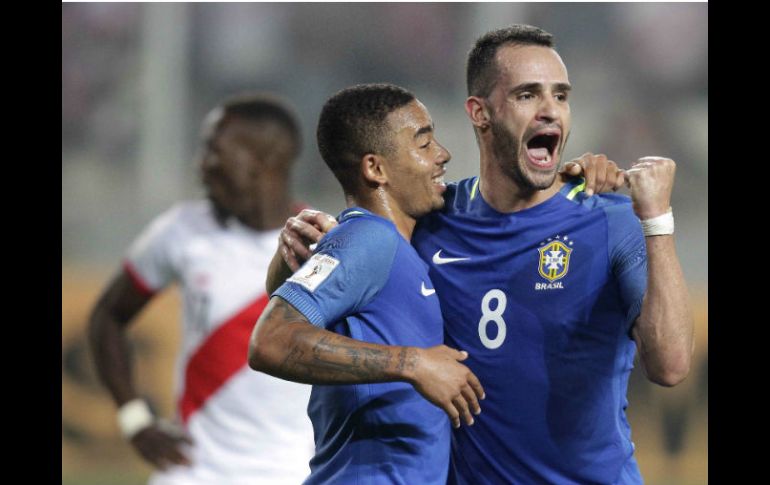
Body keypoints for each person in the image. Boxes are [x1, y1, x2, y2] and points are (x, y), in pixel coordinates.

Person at [273, 25, 694, 485]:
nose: (550, 111)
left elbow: (670, 366)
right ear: (481, 113)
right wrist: (292, 249)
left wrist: (657, 220)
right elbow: (305, 299)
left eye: (561, 95)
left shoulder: (610, 219)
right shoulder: (430, 219)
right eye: (528, 95)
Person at [248, 83, 486, 485]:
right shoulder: (368, 240)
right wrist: (414, 363)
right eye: (424, 142)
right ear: (375, 169)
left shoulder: (394, 244)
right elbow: (270, 341)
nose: (442, 154)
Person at [87, 93, 315, 485]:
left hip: (293, 472)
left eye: (214, 152)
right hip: (193, 471)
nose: (201, 167)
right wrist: (134, 419)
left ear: (264, 162)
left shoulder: (326, 244)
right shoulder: (182, 231)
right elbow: (107, 317)